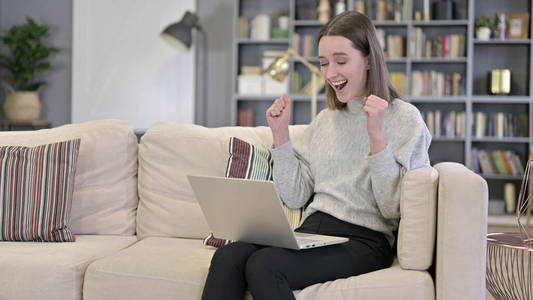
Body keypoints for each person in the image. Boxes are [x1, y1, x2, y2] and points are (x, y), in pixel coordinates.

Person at [201, 11, 431, 300]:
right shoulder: (325, 120)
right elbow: (296, 196)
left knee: (265, 266)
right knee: (228, 257)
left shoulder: (405, 119)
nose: (331, 73)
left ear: (369, 59)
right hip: (313, 230)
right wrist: (281, 136)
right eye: (323, 63)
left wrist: (377, 136)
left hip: (364, 239)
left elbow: (391, 208)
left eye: (341, 61)